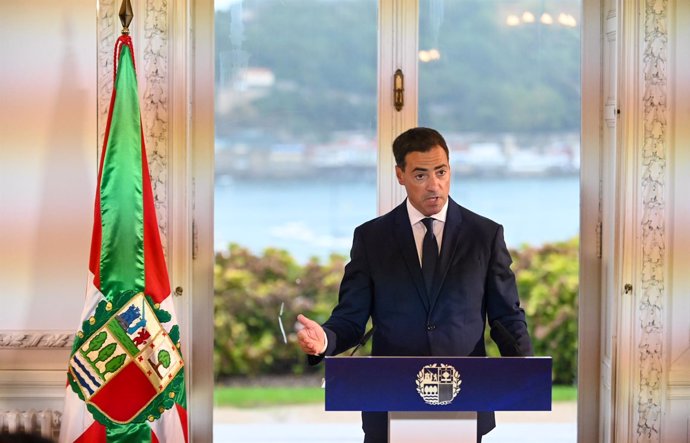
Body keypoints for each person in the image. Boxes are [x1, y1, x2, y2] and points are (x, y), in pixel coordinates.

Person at [296, 127, 533, 443]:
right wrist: (325, 340)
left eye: (441, 172)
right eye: (421, 175)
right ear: (400, 175)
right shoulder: (371, 239)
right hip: (389, 399)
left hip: (464, 398)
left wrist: (527, 369)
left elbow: (506, 317)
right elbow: (351, 318)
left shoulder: (484, 235)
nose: (434, 185)